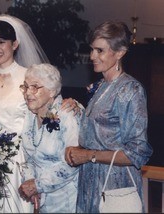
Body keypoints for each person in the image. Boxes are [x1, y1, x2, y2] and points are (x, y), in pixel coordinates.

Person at [0, 14, 77, 213]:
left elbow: (49, 105)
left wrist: (74, 103)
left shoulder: (28, 76)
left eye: (2, 42)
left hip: (20, 162)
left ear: (15, 44)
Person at [65, 20, 153, 213]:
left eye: (100, 51)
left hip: (114, 184)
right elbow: (100, 131)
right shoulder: (101, 87)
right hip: (90, 180)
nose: (92, 56)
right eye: (92, 50)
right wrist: (78, 110)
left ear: (120, 52)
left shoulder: (130, 89)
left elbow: (137, 152)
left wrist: (88, 155)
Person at [18, 63, 80, 213]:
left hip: (64, 197)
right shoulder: (29, 114)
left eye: (35, 87)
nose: (27, 93)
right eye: (25, 87)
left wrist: (38, 185)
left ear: (52, 91)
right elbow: (28, 157)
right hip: (39, 198)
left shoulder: (67, 115)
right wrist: (30, 181)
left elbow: (73, 163)